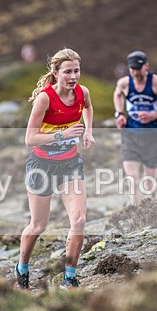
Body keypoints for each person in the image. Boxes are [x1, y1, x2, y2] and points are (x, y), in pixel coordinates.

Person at [15, 48, 95, 291]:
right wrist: (62, 134)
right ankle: (22, 268)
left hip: (70, 164)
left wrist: (89, 131)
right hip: (42, 166)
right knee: (39, 226)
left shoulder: (83, 92)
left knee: (79, 221)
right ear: (56, 73)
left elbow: (88, 109)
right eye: (68, 72)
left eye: (77, 71)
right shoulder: (45, 98)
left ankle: (69, 278)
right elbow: (30, 138)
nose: (73, 77)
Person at [113, 50, 157, 205]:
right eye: (132, 69)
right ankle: (135, 207)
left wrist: (153, 116)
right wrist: (119, 114)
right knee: (132, 177)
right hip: (131, 132)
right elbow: (117, 95)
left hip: (152, 133)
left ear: (146, 66)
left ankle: (150, 207)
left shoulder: (156, 82)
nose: (135, 72)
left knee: (149, 181)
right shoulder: (124, 83)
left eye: (138, 68)